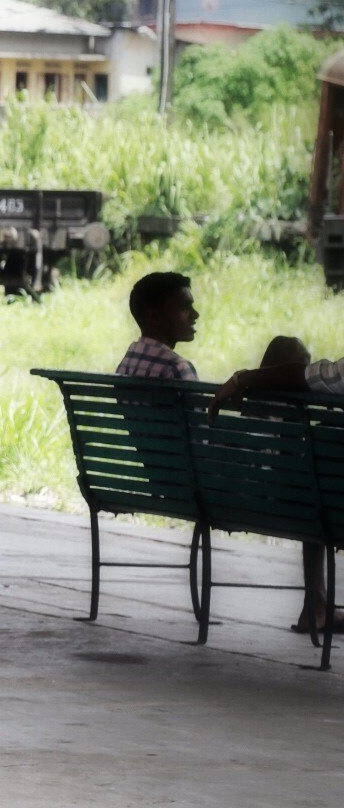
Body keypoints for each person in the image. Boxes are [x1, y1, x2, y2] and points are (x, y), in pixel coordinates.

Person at [212, 336, 344, 635]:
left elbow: (308, 376)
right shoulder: (288, 426)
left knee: (316, 492)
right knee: (318, 495)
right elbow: (305, 375)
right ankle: (317, 605)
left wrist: (239, 379)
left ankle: (317, 605)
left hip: (231, 503)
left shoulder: (245, 422)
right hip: (308, 508)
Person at [116, 271, 198, 380]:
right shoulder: (177, 368)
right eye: (185, 307)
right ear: (154, 317)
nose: (195, 315)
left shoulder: (128, 360)